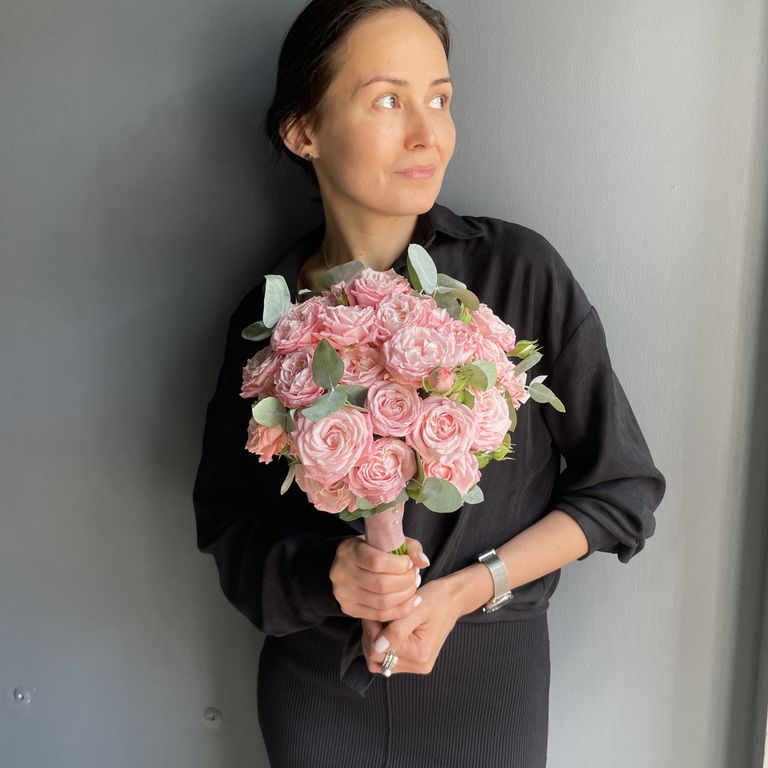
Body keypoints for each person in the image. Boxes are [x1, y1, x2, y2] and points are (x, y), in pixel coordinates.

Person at [192, 1, 667, 766]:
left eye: (440, 99)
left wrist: (466, 588)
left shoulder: (520, 276)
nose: (428, 133)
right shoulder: (269, 317)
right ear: (303, 131)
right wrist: (331, 577)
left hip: (487, 689)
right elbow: (229, 528)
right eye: (388, 100)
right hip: (318, 692)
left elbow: (622, 490)